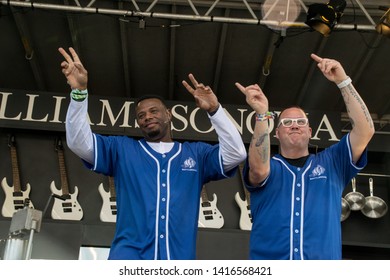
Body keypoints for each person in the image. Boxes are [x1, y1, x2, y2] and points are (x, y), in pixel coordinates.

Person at [58, 47, 246, 260]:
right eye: (141, 115)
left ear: (169, 114)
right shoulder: (122, 149)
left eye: (153, 111)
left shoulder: (196, 153)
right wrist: (79, 93)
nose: (147, 116)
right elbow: (78, 143)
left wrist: (215, 110)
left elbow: (236, 154)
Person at [235, 53, 375, 260]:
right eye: (286, 123)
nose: (294, 125)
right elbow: (258, 171)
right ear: (277, 133)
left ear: (310, 132)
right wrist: (262, 114)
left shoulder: (332, 162)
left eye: (301, 122)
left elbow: (365, 131)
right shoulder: (269, 165)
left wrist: (343, 81)